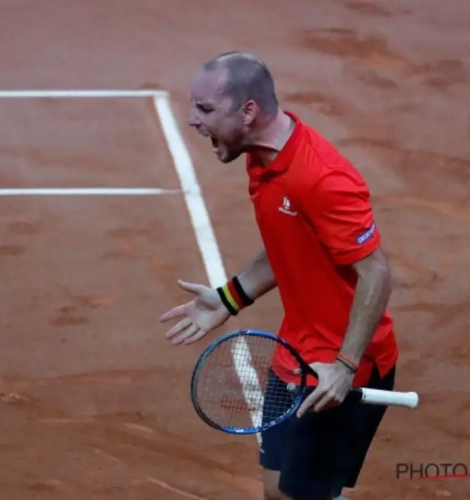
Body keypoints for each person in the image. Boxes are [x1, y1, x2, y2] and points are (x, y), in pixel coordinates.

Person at [159, 51, 400, 500]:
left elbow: (377, 272)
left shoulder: (322, 178)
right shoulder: (261, 159)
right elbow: (287, 244)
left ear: (248, 112)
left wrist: (346, 367)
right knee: (278, 492)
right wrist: (229, 298)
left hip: (341, 366)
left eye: (205, 109)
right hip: (294, 351)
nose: (192, 119)